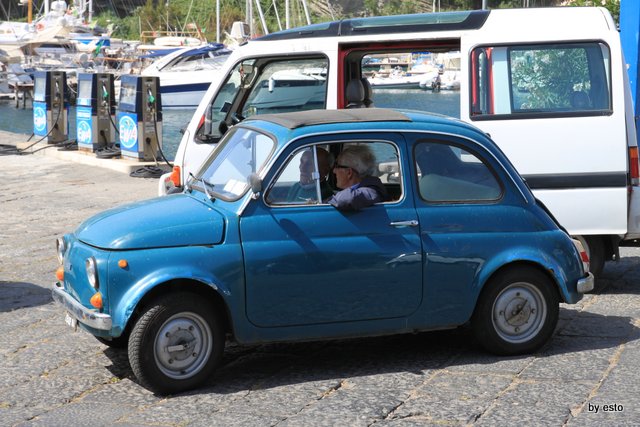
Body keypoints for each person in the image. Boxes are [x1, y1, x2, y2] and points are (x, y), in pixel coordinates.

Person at [327, 145, 389, 211]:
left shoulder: (371, 191)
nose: (334, 171)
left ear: (349, 173)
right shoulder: (364, 187)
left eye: (337, 166)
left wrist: (325, 201)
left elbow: (345, 199)